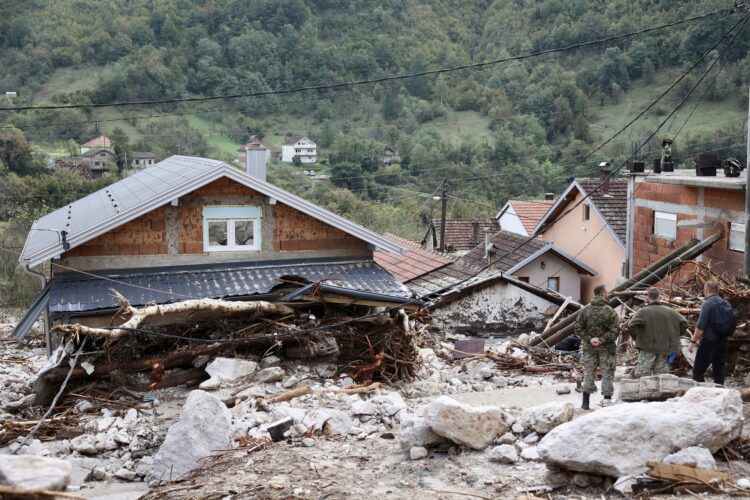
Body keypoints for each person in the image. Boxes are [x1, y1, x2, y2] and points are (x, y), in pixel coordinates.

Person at [575, 285, 619, 410]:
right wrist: (602, 340)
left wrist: (590, 339)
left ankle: (585, 403)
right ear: (603, 293)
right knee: (607, 374)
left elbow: (578, 328)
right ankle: (607, 402)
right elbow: (615, 330)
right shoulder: (610, 311)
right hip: (607, 349)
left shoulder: (584, 310)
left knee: (589, 373)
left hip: (589, 348)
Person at [628, 287, 687, 377]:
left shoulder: (642, 312)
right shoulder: (670, 311)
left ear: (648, 297)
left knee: (643, 374)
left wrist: (637, 338)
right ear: (659, 296)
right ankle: (659, 391)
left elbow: (630, 325)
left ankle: (646, 391)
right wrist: (675, 336)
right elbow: (684, 323)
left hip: (646, 347)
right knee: (661, 376)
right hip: (664, 348)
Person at [688, 280, 731, 385]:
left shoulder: (708, 304)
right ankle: (720, 394)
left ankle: (701, 396)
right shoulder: (726, 303)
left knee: (698, 371)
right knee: (718, 371)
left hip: (709, 343)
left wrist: (693, 341)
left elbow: (701, 325)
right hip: (724, 342)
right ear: (717, 290)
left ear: (705, 290)